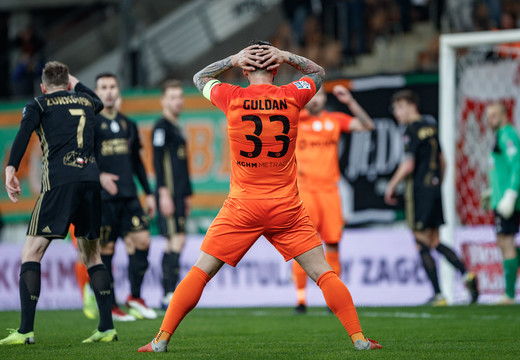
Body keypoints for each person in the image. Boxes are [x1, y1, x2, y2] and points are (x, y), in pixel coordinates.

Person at [138, 40, 382, 353]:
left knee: (200, 272)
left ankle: (160, 340)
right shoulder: (292, 95)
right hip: (286, 208)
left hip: (242, 207)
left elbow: (199, 77)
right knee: (324, 273)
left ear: (244, 68)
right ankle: (359, 339)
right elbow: (318, 72)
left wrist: (231, 59)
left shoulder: (231, 96)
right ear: (277, 68)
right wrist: (287, 55)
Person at [1, 61, 117, 345]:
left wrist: (10, 169)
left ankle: (26, 330)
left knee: (31, 252)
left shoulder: (38, 104)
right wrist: (75, 85)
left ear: (43, 86)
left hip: (60, 183)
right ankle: (106, 327)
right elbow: (99, 102)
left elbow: (23, 135)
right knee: (92, 254)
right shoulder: (86, 100)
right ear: (68, 82)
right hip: (90, 180)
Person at [384, 89, 479, 306]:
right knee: (435, 241)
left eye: (399, 108)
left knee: (421, 242)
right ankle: (467, 274)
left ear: (410, 105)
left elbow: (408, 165)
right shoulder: (431, 126)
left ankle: (438, 294)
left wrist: (391, 186)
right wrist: (437, 183)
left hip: (419, 191)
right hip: (435, 189)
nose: (396, 113)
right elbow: (443, 161)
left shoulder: (412, 129)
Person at [292, 85, 374, 314]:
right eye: (312, 95)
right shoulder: (295, 119)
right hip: (304, 193)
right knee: (302, 246)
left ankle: (333, 299)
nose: (316, 100)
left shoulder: (335, 119)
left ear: (325, 98)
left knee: (333, 245)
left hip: (330, 193)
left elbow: (368, 126)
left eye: (319, 95)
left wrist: (350, 102)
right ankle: (301, 300)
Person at [93, 72, 157, 320]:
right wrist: (100, 176)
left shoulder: (129, 125)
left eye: (112, 86)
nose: (108, 91)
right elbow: (81, 158)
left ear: (118, 91)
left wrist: (149, 193)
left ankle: (135, 296)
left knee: (142, 240)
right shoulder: (90, 124)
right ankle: (110, 305)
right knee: (106, 248)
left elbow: (137, 163)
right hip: (104, 199)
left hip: (129, 195)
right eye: (103, 87)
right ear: (97, 92)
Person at [152, 79, 193, 310]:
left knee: (177, 239)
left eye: (180, 96)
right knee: (175, 239)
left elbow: (181, 167)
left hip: (179, 194)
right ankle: (168, 293)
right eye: (173, 97)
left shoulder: (176, 127)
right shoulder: (161, 127)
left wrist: (186, 196)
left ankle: (169, 292)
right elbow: (158, 163)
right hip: (169, 194)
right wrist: (164, 194)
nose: (178, 101)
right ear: (163, 101)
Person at [482, 102, 520, 304]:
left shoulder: (508, 135)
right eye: (488, 116)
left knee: (506, 242)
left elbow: (518, 165)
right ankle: (509, 293)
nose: (490, 119)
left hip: (509, 200)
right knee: (503, 242)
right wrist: (494, 192)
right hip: (501, 199)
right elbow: (503, 169)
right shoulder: (499, 136)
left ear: (505, 115)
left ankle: (510, 295)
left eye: (494, 115)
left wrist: (511, 194)